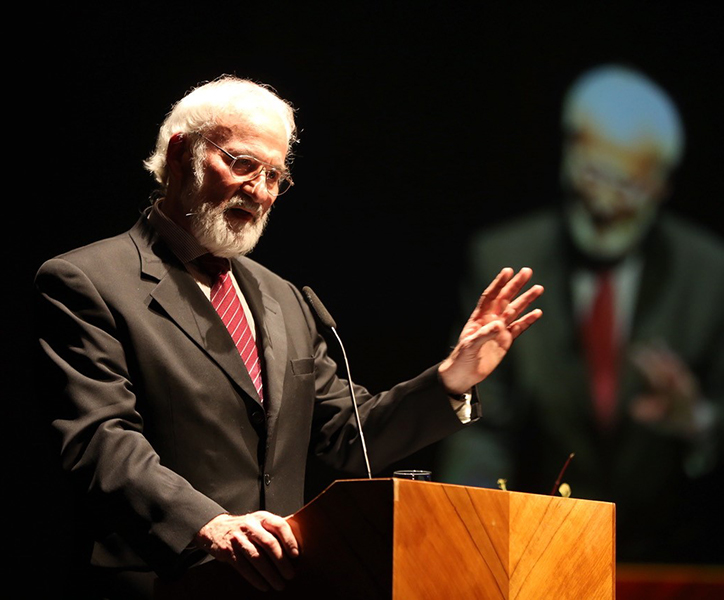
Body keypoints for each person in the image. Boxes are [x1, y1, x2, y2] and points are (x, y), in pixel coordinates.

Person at [35, 76, 544, 598]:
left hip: (279, 586)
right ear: (181, 152)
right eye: (242, 164)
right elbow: (100, 439)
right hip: (160, 583)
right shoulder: (88, 281)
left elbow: (349, 435)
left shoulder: (282, 298)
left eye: (274, 175)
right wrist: (208, 525)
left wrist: (453, 378)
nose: (259, 191)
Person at [438, 64, 724, 563]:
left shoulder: (712, 275)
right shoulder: (504, 257)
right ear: (569, 152)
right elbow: (482, 426)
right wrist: (470, 536)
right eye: (594, 173)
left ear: (662, 184)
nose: (603, 204)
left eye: (627, 184)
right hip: (537, 555)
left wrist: (699, 422)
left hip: (673, 564)